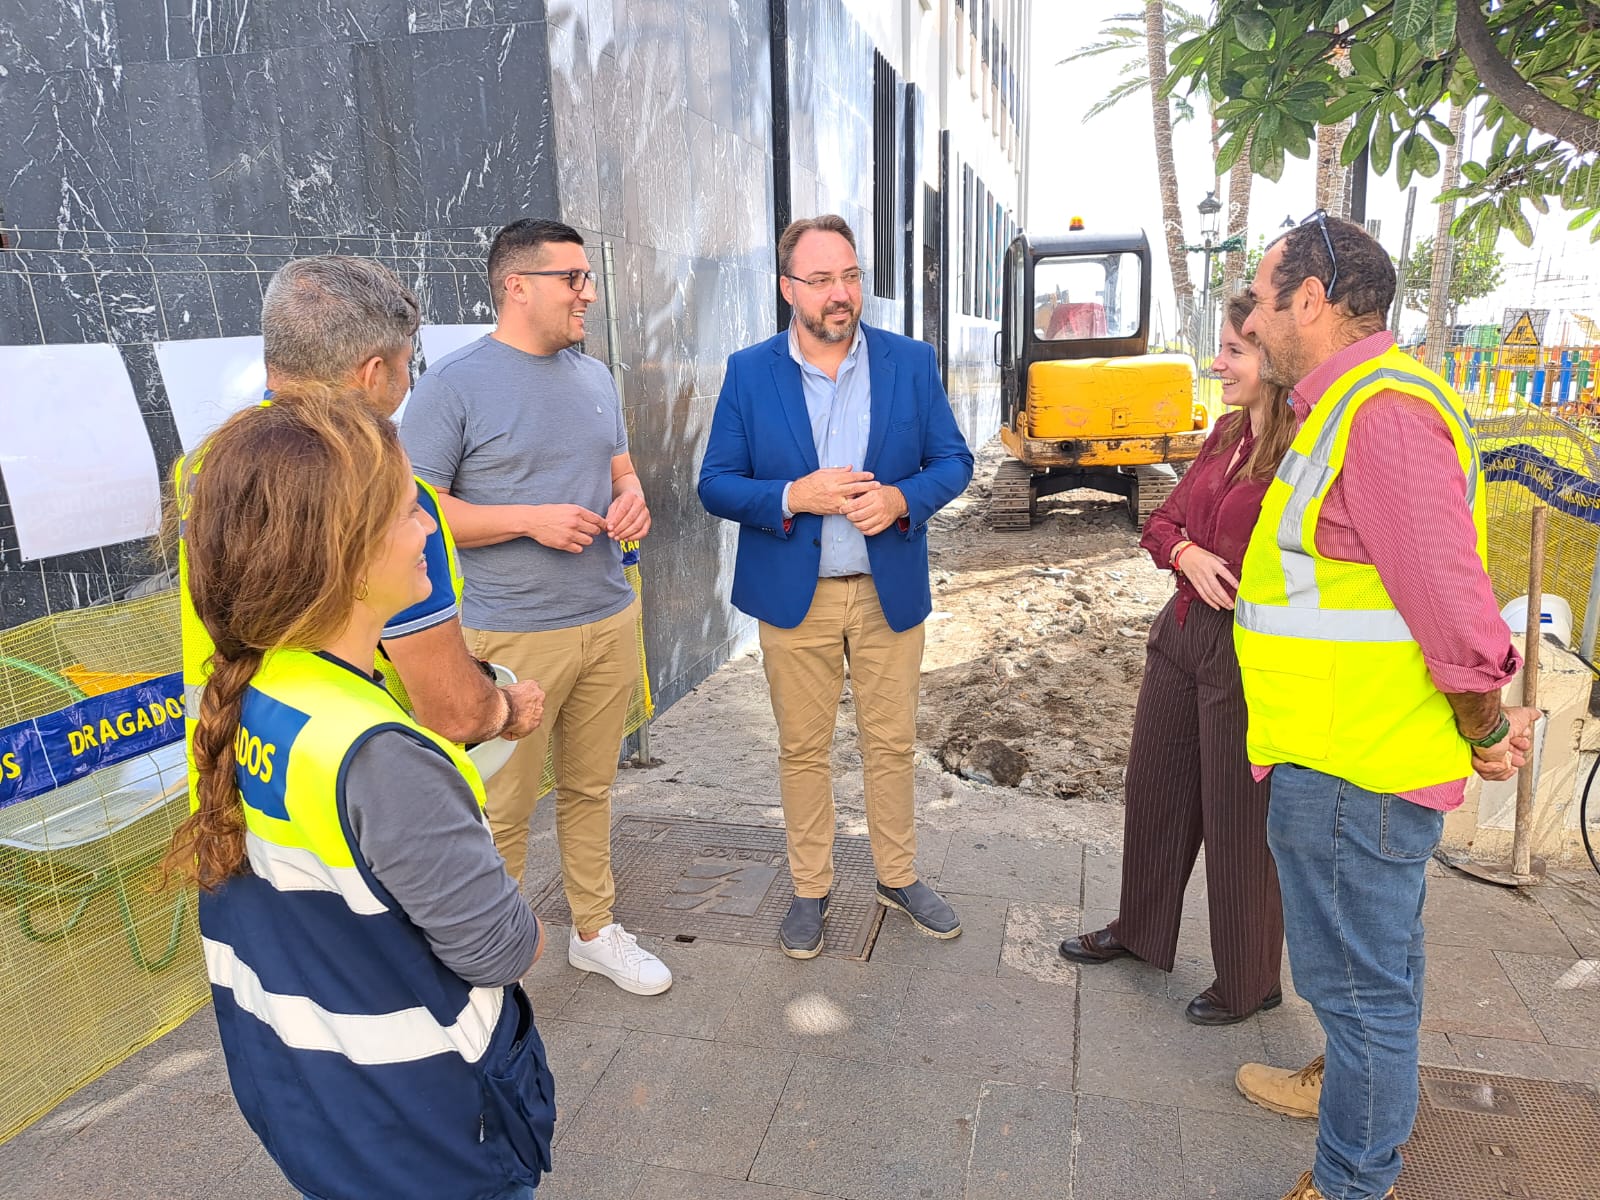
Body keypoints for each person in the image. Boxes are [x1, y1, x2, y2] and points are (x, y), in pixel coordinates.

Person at [164, 394, 554, 1200]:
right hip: (423, 1130)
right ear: (343, 553)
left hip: (308, 1092)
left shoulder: (252, 684)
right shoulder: (382, 755)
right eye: (407, 510)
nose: (427, 529)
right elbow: (500, 950)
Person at [1228, 213, 1538, 1200]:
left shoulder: (1379, 411)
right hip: (1345, 755)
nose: (1252, 313)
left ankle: (1354, 1180)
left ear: (1308, 300)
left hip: (1353, 767)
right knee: (1371, 982)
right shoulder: (1347, 405)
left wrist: (1486, 726)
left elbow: (1448, 602)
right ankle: (1352, 1121)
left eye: (1262, 291)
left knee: (1361, 995)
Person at [400, 218, 670, 996]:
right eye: (572, 279)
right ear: (516, 286)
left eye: (587, 277)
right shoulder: (451, 386)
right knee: (500, 809)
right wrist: (528, 518)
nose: (588, 292)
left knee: (591, 790)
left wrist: (633, 501)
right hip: (510, 632)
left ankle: (595, 931)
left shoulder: (595, 377)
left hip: (607, 617)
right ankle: (491, 966)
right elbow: (419, 513)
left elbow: (623, 472)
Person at [698, 215, 975, 958]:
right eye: (821, 280)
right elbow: (715, 484)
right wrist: (794, 495)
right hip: (798, 595)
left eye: (850, 276)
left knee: (891, 742)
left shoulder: (910, 362)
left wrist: (902, 500)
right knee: (804, 748)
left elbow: (954, 460)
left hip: (888, 591)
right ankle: (810, 888)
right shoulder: (751, 372)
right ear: (789, 289)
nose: (841, 293)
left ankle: (898, 875)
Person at [177, 256, 546, 794]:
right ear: (373, 374)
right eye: (404, 365)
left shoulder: (213, 462)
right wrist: (508, 709)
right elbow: (455, 713)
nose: (406, 381)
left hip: (238, 778)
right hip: (374, 800)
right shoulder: (388, 503)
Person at [1059, 294, 1298, 1025]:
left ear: (1276, 359)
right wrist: (1187, 552)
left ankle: (1251, 978)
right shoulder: (1226, 432)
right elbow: (1161, 521)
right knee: (1155, 789)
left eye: (1234, 351)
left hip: (1248, 651)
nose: (1217, 363)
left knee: (1237, 820)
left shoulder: (1307, 446)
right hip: (1182, 632)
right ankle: (1139, 927)